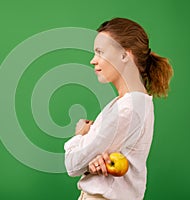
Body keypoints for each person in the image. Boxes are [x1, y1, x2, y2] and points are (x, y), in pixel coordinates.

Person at [64, 18, 173, 200]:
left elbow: (72, 165)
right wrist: (92, 164)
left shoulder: (126, 110)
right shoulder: (135, 103)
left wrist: (79, 135)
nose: (93, 61)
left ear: (124, 55)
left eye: (100, 53)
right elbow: (92, 160)